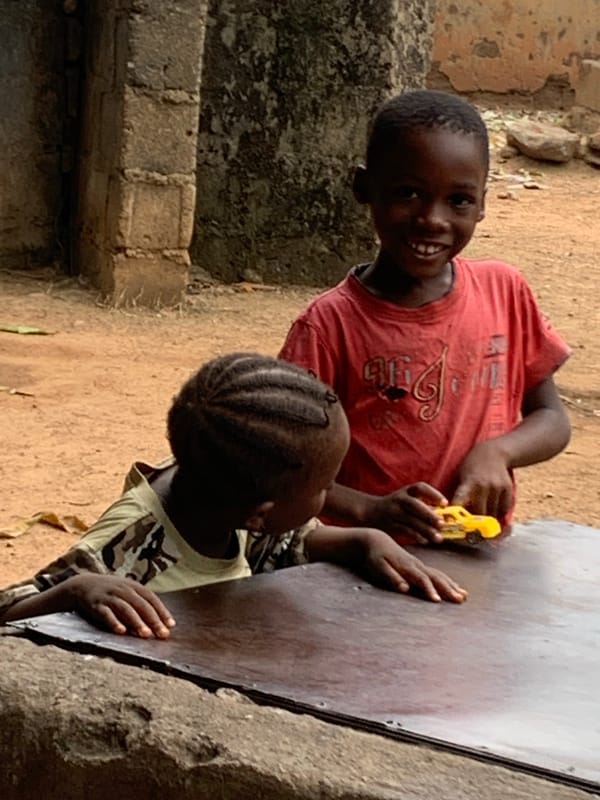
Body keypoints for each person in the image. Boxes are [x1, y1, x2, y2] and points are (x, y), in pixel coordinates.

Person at [279, 89, 571, 546]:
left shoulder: (505, 292)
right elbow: (282, 466)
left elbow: (552, 418)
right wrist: (370, 511)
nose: (432, 219)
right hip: (366, 563)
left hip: (477, 554)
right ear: (364, 188)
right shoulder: (328, 326)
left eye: (458, 200)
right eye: (408, 193)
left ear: (482, 204)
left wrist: (497, 452)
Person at [0, 353, 467, 637]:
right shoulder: (124, 547)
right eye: (323, 488)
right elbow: (6, 617)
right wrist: (76, 591)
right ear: (261, 512)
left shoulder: (215, 491)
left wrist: (364, 540)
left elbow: (279, 543)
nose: (330, 496)